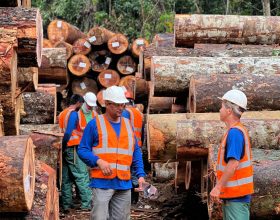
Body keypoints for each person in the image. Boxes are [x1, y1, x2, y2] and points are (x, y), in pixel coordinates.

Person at [77, 86, 146, 220]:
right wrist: (98, 161)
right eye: (117, 105)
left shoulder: (128, 124)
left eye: (123, 104)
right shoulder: (94, 124)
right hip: (102, 183)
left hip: (124, 183)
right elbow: (82, 150)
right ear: (107, 104)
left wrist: (141, 175)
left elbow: (135, 151)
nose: (121, 108)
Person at [210, 89, 254, 220]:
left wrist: (218, 187)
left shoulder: (234, 133)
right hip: (235, 197)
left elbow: (233, 163)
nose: (219, 110)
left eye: (222, 107)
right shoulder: (235, 131)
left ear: (229, 110)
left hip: (236, 198)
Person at [60, 92, 98, 213]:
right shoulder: (73, 114)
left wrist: (62, 146)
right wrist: (65, 144)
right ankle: (87, 204)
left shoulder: (62, 113)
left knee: (66, 178)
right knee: (82, 176)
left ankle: (67, 204)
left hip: (65, 148)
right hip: (73, 147)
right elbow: (68, 132)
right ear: (78, 103)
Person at [122, 90, 144, 204]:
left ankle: (128, 200)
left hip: (127, 147)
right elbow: (143, 131)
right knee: (136, 173)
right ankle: (135, 200)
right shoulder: (139, 113)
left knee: (127, 172)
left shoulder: (125, 112)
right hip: (138, 146)